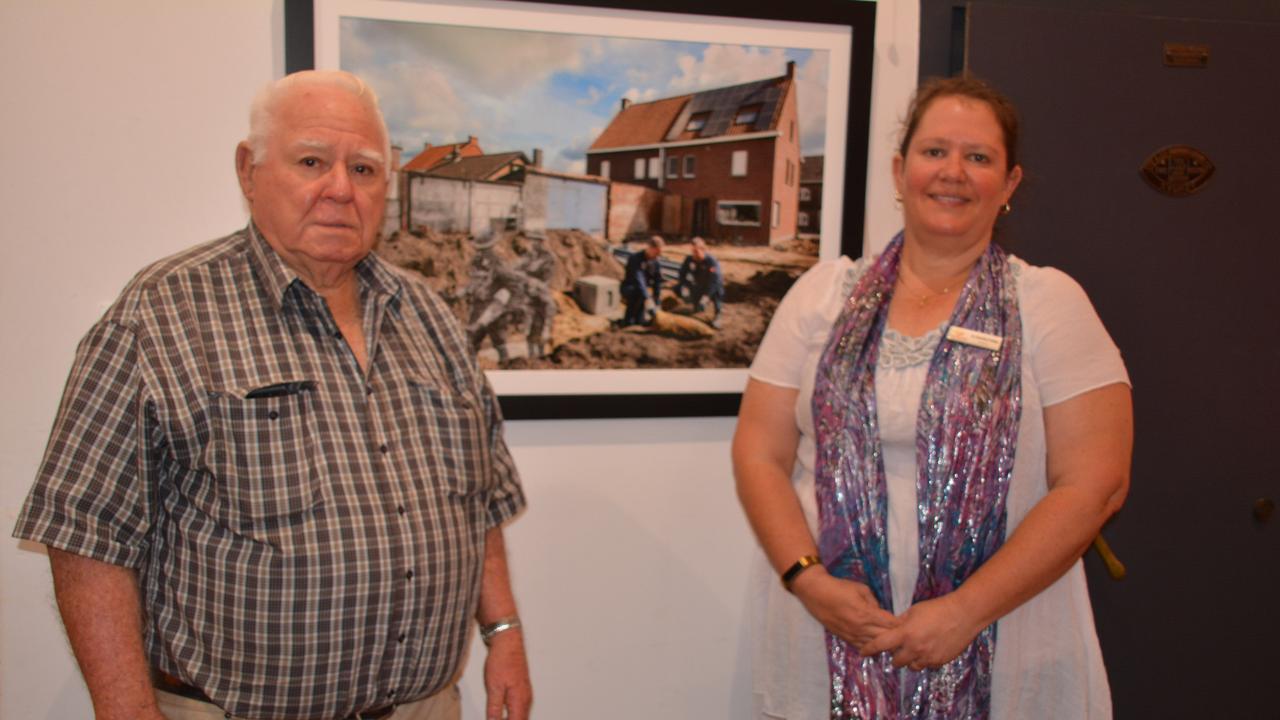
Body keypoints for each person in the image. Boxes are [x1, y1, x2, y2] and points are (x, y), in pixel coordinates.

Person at [12, 70, 532, 720]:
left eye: (364, 170)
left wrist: (503, 634)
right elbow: (87, 538)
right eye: (312, 161)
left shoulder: (429, 316)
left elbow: (480, 503)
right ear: (249, 170)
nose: (340, 189)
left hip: (425, 707)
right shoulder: (161, 316)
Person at [733, 75, 1132, 719]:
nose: (953, 173)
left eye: (979, 158)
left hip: (1005, 639)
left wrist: (963, 612)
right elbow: (758, 449)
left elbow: (1096, 484)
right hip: (824, 631)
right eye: (934, 151)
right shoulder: (822, 295)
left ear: (1009, 185)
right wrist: (806, 578)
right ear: (900, 169)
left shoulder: (1050, 304)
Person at [675, 236, 724, 328]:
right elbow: (682, 273)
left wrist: (706, 296)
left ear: (703, 250)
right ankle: (696, 306)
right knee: (681, 289)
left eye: (696, 251)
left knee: (717, 292)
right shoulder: (689, 259)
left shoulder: (711, 262)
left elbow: (714, 281)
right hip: (698, 285)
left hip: (711, 287)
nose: (694, 254)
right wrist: (684, 287)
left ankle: (718, 316)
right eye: (692, 251)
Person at [620, 235, 664, 326]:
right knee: (639, 293)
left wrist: (657, 300)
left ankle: (639, 319)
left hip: (642, 290)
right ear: (650, 248)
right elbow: (639, 279)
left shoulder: (655, 262)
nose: (658, 256)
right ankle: (628, 319)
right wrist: (648, 298)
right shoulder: (635, 259)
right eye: (657, 253)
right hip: (630, 287)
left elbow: (657, 282)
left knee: (640, 320)